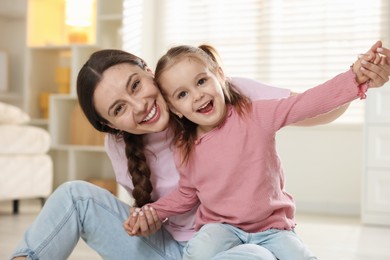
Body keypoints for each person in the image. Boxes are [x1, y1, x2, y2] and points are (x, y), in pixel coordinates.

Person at [10, 41, 390, 259]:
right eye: (119, 109)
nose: (139, 105)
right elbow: (180, 198)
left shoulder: (231, 99)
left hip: (235, 244)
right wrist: (146, 217)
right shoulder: (121, 143)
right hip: (173, 249)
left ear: (148, 72)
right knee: (74, 196)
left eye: (136, 85)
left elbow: (309, 107)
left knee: (255, 255)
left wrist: (359, 81)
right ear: (111, 125)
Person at [125, 44, 386, 260]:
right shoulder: (185, 147)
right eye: (182, 94)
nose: (197, 96)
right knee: (199, 253)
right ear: (176, 109)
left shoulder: (256, 114)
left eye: (202, 81)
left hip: (273, 229)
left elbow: (306, 103)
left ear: (219, 75)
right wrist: (154, 211)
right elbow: (187, 194)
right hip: (221, 228)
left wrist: (354, 76)